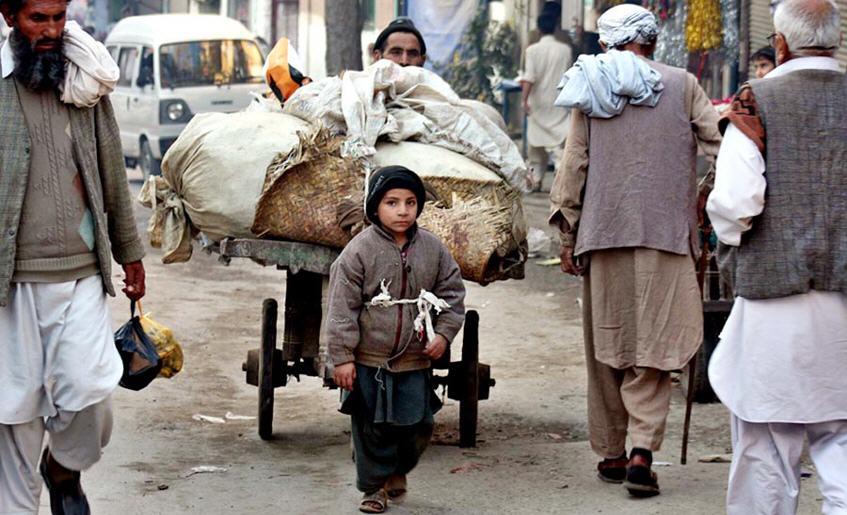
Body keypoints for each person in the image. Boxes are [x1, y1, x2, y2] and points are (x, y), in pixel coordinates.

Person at [549, 3, 721, 498]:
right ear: (652, 41)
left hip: (604, 234)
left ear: (606, 42)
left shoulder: (590, 83)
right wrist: (709, 194)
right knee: (656, 347)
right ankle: (642, 450)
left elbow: (575, 163)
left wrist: (567, 233)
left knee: (608, 345)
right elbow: (720, 146)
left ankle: (611, 452)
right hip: (668, 236)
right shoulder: (683, 84)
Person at [0, 0, 146, 512]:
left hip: (80, 271)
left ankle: (63, 466)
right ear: (9, 16)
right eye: (37, 19)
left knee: (91, 392)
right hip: (10, 282)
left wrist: (130, 252)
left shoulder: (85, 81)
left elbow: (111, 171)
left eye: (58, 17)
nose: (51, 30)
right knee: (15, 411)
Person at [705, 0, 847, 512]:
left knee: (767, 436)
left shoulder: (757, 100)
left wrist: (730, 240)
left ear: (780, 44)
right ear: (836, 41)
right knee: (841, 437)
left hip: (774, 299)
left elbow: (736, 203)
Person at [326, 166, 465, 513]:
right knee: (370, 427)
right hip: (369, 358)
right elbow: (342, 307)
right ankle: (373, 488)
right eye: (392, 202)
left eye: (410, 202)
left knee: (419, 424)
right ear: (375, 207)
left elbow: (452, 294)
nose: (402, 211)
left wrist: (444, 334)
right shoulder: (359, 251)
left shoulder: (432, 249)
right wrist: (342, 357)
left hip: (415, 357)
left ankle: (397, 469)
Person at [520, 13, 573, 192]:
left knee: (536, 146)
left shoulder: (532, 50)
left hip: (538, 104)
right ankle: (560, 177)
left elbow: (529, 77)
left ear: (539, 29)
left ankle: (536, 179)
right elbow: (569, 76)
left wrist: (524, 100)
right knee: (559, 145)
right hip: (559, 102)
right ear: (556, 28)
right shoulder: (565, 50)